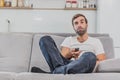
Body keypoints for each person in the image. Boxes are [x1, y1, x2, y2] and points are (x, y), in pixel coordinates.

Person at [31, 13, 106, 74]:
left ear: (87, 24)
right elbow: (60, 59)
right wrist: (70, 54)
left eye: (82, 22)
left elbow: (101, 60)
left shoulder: (96, 41)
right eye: (76, 23)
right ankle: (59, 71)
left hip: (85, 65)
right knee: (45, 39)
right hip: (68, 63)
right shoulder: (68, 39)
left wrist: (82, 59)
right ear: (74, 27)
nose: (79, 25)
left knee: (90, 55)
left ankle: (54, 73)